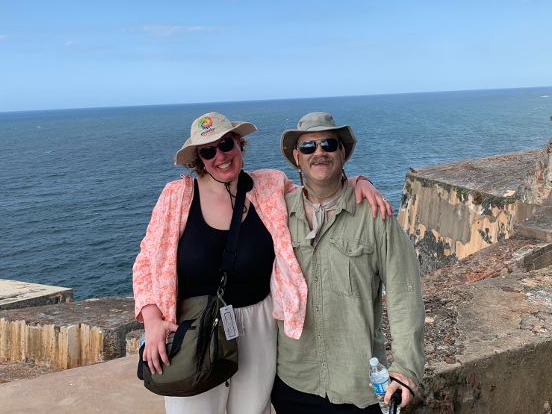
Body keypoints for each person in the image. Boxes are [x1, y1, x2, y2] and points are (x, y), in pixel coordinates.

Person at [133, 112, 392, 414]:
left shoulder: (269, 186)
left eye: (226, 144)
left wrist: (358, 181)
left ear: (239, 143)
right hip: (194, 328)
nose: (221, 156)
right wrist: (152, 321)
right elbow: (146, 262)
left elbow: (318, 194)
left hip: (259, 326)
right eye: (208, 151)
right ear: (198, 159)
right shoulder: (176, 196)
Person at [271, 112, 425, 413]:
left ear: (342, 153)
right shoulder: (276, 211)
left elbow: (404, 291)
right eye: (308, 147)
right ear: (296, 157)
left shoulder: (375, 215)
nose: (319, 152)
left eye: (329, 144)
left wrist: (406, 368)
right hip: (292, 381)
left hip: (359, 386)